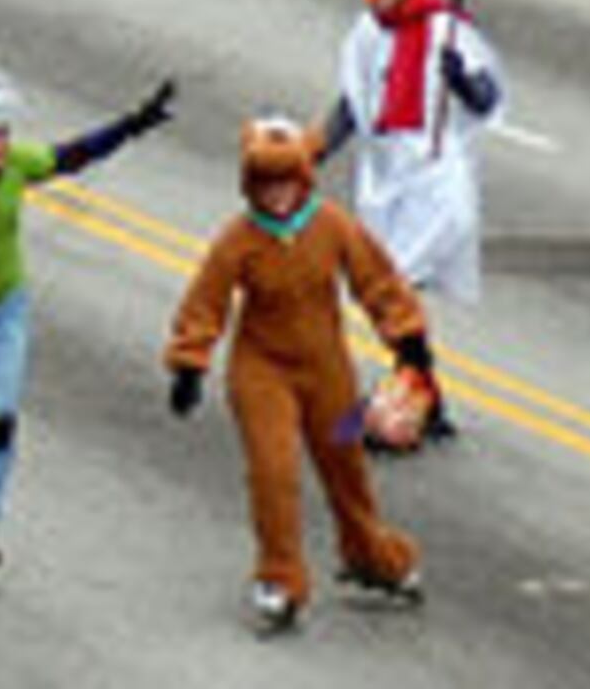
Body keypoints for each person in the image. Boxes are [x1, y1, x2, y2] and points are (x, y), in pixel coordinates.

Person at [0, 71, 177, 594]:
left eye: (6, 134)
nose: (5, 144)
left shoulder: (14, 167)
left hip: (4, 312)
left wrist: (134, 124)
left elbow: (74, 156)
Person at [164, 114, 436, 637]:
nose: (278, 195)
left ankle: (373, 557)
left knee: (346, 467)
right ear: (251, 185)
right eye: (266, 183)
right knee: (275, 471)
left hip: (328, 370)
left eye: (286, 181)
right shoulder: (238, 240)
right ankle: (280, 577)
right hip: (261, 371)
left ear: (303, 179)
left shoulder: (331, 224)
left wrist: (409, 341)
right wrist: (189, 365)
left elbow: (377, 282)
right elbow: (205, 303)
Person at [309, 0, 502, 436]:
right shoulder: (367, 33)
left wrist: (460, 82)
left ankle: (405, 395)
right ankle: (424, 395)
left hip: (436, 182)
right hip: (387, 182)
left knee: (393, 292)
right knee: (392, 297)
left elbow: (488, 98)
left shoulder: (447, 28)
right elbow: (353, 103)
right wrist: (314, 150)